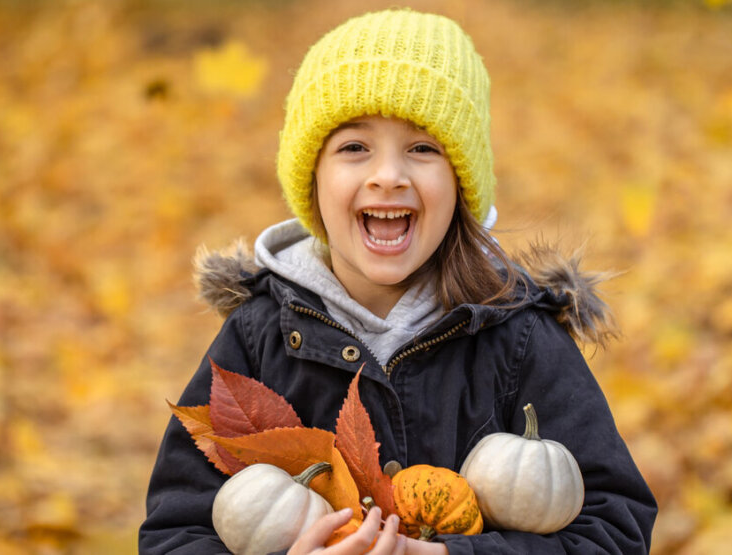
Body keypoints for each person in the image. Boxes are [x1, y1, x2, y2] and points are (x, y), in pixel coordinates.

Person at [140, 8, 656, 554]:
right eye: (354, 148)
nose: (388, 175)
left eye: (422, 148)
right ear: (311, 179)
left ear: (461, 182)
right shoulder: (259, 339)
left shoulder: (519, 339)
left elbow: (613, 530)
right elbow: (175, 535)